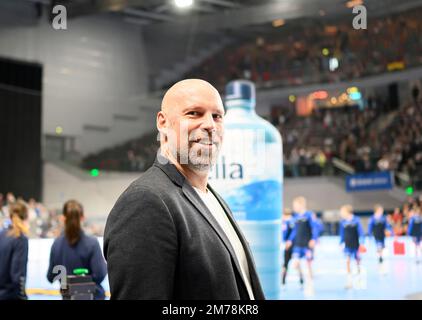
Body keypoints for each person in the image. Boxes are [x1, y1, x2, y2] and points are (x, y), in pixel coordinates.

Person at [104, 79, 265, 300]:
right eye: (194, 113)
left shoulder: (212, 198)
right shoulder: (146, 201)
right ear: (163, 123)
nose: (210, 124)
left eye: (217, 116)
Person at [47, 200, 107, 300]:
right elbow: (100, 274)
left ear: (63, 218)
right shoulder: (92, 243)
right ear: (83, 217)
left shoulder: (56, 245)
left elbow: (50, 277)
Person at [285, 196, 318, 295]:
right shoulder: (296, 217)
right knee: (296, 264)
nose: (294, 207)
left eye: (295, 205)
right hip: (298, 245)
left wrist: (313, 239)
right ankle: (303, 280)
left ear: (301, 205)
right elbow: (295, 231)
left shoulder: (309, 215)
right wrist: (290, 240)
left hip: (307, 245)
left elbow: (315, 228)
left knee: (308, 265)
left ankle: (310, 284)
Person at [0, 201, 29, 300]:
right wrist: (23, 296)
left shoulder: (2, 234)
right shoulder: (20, 239)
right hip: (10, 295)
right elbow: (18, 276)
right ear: (26, 218)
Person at [339, 205, 365, 289]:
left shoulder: (356, 220)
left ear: (347, 212)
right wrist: (341, 243)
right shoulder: (343, 222)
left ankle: (359, 275)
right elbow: (342, 234)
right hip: (347, 245)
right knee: (347, 261)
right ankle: (349, 281)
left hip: (356, 245)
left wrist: (362, 243)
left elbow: (361, 232)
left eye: (342, 212)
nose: (341, 213)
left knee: (357, 261)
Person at [281, 208, 295, 286]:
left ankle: (302, 279)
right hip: (286, 245)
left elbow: (294, 232)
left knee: (296, 262)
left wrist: (289, 241)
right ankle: (283, 279)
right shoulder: (284, 222)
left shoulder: (291, 221)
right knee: (285, 263)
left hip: (291, 245)